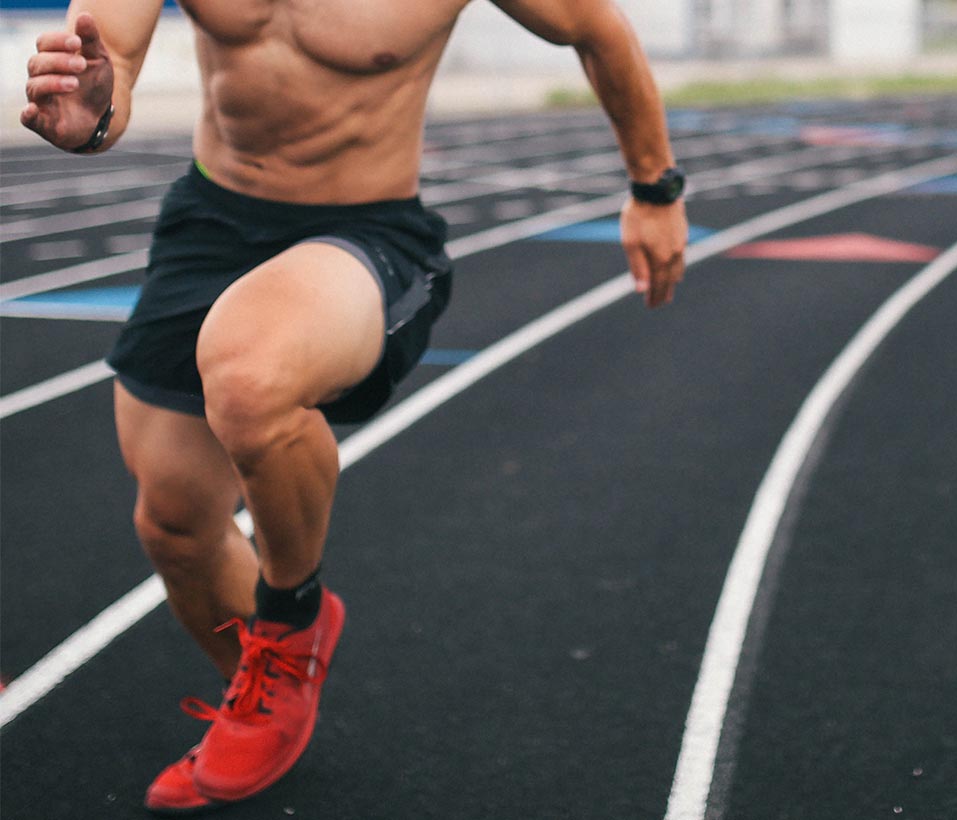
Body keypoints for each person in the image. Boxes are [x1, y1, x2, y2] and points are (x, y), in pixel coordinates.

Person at [21, 0, 688, 813]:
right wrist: (93, 114)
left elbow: (599, 29)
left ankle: (289, 620)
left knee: (247, 373)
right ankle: (265, 694)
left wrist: (655, 189)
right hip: (211, 223)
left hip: (367, 235)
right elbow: (110, 62)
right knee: (175, 522)